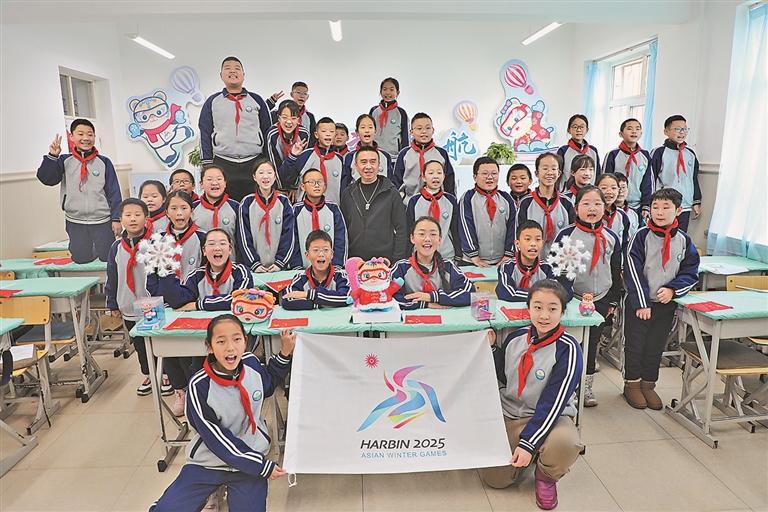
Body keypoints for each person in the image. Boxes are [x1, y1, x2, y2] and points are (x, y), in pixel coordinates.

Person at [149, 315, 292, 512]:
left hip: (248, 459)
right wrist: (261, 466)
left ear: (245, 342)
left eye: (236, 339)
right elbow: (216, 439)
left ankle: (220, 489)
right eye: (221, 341)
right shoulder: (199, 385)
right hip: (209, 461)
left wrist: (285, 352)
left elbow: (267, 382)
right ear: (209, 346)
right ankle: (209, 490)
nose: (230, 348)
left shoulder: (251, 364)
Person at [481, 280, 583, 511]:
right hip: (510, 413)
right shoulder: (515, 338)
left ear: (562, 312)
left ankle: (546, 476)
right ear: (528, 309)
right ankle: (531, 452)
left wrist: (528, 443)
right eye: (538, 307)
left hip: (549, 416)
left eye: (552, 308)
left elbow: (554, 402)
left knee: (565, 443)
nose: (544, 315)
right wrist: (492, 349)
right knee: (495, 480)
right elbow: (505, 376)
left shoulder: (569, 348)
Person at [148, 228, 254, 416]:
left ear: (230, 250)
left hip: (234, 340)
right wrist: (165, 269)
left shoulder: (241, 272)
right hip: (204, 339)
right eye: (211, 244)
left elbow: (239, 300)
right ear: (204, 251)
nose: (217, 248)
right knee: (192, 365)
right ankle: (200, 405)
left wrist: (199, 304)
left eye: (222, 244)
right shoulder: (196, 275)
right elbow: (178, 301)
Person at [623, 188, 699, 409]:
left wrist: (673, 290)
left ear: (678, 211)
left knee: (655, 346)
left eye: (666, 207)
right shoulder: (641, 236)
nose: (659, 212)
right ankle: (632, 384)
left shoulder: (684, 240)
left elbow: (691, 271)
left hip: (665, 306)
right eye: (655, 207)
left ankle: (648, 384)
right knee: (635, 346)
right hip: (639, 305)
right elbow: (632, 270)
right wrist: (642, 303)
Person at [554, 186, 622, 407]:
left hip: (600, 299)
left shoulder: (611, 237)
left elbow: (615, 271)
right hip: (573, 299)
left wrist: (612, 300)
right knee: (569, 343)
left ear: (605, 207)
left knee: (592, 345)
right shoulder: (567, 235)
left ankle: (586, 387)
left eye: (597, 204)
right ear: (576, 208)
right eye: (586, 204)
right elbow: (560, 273)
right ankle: (565, 387)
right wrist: (566, 300)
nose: (592, 208)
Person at [106, 198, 171, 396]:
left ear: (146, 218)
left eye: (137, 215)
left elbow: (165, 274)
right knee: (140, 344)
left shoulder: (156, 243)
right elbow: (112, 275)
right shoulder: (116, 247)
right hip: (128, 304)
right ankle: (149, 374)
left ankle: (166, 374)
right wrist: (113, 303)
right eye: (128, 215)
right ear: (121, 219)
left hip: (154, 304)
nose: (133, 219)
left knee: (160, 341)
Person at [37, 119, 122, 263]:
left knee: (107, 257)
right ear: (71, 137)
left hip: (102, 219)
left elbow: (114, 192)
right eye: (80, 134)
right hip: (75, 220)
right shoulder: (64, 161)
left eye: (90, 134)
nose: (86, 138)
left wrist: (116, 219)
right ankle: (91, 251)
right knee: (80, 259)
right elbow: (47, 179)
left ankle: (99, 251)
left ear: (94, 137)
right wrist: (52, 156)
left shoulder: (104, 162)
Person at [199, 56, 272, 202]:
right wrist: (206, 163)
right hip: (224, 161)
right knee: (225, 205)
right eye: (228, 68)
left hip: (254, 161)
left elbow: (268, 132)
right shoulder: (213, 101)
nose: (233, 71)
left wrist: (267, 161)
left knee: (255, 204)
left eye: (237, 68)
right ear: (221, 75)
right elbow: (204, 132)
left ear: (243, 75)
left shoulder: (256, 100)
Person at [340, 146, 408, 262]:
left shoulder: (391, 192)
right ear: (356, 166)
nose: (368, 166)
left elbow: (401, 228)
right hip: (354, 260)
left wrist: (397, 259)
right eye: (363, 162)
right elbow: (343, 230)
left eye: (372, 162)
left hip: (384, 260)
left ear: (378, 165)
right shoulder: (348, 193)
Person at [391, 216, 474, 310]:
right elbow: (389, 298)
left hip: (446, 317)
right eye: (421, 234)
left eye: (433, 234)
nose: (427, 239)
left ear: (439, 239)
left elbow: (470, 294)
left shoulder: (448, 266)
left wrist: (432, 297)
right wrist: (424, 304)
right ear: (412, 238)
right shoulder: (401, 267)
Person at [238, 159, 296, 272]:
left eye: (269, 173)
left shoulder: (284, 202)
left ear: (275, 177)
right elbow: (243, 236)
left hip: (280, 268)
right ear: (254, 177)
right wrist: (254, 263)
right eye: (261, 173)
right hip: (254, 269)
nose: (265, 176)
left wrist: (281, 262)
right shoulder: (247, 203)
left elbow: (289, 235)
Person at [496, 220, 573, 303]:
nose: (533, 244)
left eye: (538, 239)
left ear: (542, 243)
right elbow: (506, 293)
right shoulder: (507, 267)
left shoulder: (547, 268)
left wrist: (565, 270)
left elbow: (560, 294)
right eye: (527, 239)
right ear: (517, 243)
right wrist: (541, 296)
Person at [459, 157, 516, 267]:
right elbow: (465, 226)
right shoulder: (468, 198)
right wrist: (473, 255)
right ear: (475, 177)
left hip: (501, 261)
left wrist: (508, 254)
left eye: (494, 173)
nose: (490, 177)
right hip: (472, 261)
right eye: (485, 174)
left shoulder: (506, 199)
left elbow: (513, 227)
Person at [517, 153, 575, 258]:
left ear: (559, 173)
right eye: (545, 168)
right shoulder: (526, 203)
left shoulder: (566, 203)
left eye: (553, 169)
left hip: (560, 262)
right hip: (533, 262)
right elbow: (518, 235)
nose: (549, 172)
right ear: (537, 173)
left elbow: (573, 235)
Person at [649, 115, 701, 232]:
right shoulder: (659, 152)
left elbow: (693, 179)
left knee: (680, 236)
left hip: (684, 206)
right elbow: (650, 179)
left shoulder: (690, 154)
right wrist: (650, 204)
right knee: (661, 236)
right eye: (677, 129)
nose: (682, 132)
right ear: (666, 132)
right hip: (664, 205)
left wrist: (696, 202)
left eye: (685, 129)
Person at [279, 117, 346, 204]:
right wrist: (292, 156)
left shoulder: (339, 159)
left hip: (332, 208)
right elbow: (287, 176)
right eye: (324, 131)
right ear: (316, 134)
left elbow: (343, 187)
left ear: (335, 135)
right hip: (306, 208)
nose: (328, 134)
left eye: (331, 131)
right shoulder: (305, 155)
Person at [392, 112, 456, 202]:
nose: (424, 131)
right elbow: (397, 182)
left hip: (437, 204)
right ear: (411, 132)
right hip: (408, 205)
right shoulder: (404, 154)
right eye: (419, 128)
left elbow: (449, 181)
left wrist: (451, 202)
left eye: (428, 128)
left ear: (433, 130)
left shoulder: (441, 153)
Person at [290, 168, 346, 268]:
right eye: (311, 182)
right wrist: (296, 266)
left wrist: (337, 265)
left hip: (331, 268)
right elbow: (292, 240)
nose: (316, 185)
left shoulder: (333, 208)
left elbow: (341, 239)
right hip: (302, 268)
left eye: (320, 182)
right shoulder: (296, 210)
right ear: (303, 186)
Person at [406, 160, 461, 261]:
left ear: (444, 176)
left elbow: (456, 229)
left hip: (447, 255)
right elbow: (409, 229)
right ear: (423, 177)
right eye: (431, 173)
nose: (435, 176)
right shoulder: (414, 201)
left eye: (439, 173)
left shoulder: (450, 200)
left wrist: (458, 255)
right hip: (420, 256)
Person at [282, 230, 350, 310]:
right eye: (315, 250)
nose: (321, 254)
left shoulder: (341, 277)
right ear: (307, 255)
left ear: (332, 254)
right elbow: (287, 300)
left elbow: (346, 298)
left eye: (325, 250)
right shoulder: (300, 278)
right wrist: (320, 305)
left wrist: (308, 295)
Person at [602, 118, 652, 214]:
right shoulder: (613, 155)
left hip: (638, 206)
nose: (634, 131)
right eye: (629, 128)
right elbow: (604, 181)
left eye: (637, 129)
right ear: (621, 134)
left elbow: (648, 182)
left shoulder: (645, 156)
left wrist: (646, 205)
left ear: (641, 134)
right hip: (615, 205)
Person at [192, 166, 240, 260]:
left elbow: (240, 241)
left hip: (230, 263)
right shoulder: (192, 209)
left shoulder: (236, 207)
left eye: (219, 179)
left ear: (225, 183)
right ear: (201, 184)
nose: (214, 183)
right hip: (201, 264)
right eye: (209, 179)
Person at [264, 100, 310, 191]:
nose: (289, 122)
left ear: (298, 119)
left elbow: (303, 164)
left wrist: (295, 187)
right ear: (279, 118)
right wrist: (280, 188)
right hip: (276, 182)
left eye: (293, 118)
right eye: (285, 117)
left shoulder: (304, 134)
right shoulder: (272, 135)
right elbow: (273, 165)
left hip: (296, 183)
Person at [556, 114, 600, 190]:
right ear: (568, 130)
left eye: (582, 127)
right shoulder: (563, 150)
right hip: (567, 192)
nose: (578, 130)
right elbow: (557, 173)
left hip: (590, 192)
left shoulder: (593, 151)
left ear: (587, 130)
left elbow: (598, 174)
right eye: (575, 127)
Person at [344, 114, 392, 182]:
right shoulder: (350, 157)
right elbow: (347, 183)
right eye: (363, 127)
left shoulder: (385, 156)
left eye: (370, 127)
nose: (367, 130)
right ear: (357, 132)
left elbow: (390, 182)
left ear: (375, 132)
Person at [370, 77, 409, 157]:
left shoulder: (401, 113)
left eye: (391, 89)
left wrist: (403, 157)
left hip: (394, 158)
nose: (388, 93)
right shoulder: (374, 111)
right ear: (381, 92)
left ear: (397, 92)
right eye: (385, 89)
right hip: (375, 157)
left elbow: (405, 137)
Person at [596, 173, 631, 251]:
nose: (609, 191)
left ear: (618, 191)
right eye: (604, 188)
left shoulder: (622, 215)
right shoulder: (591, 214)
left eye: (613, 188)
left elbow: (625, 244)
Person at [614, 173, 645, 237]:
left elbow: (642, 235)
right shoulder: (606, 213)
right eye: (617, 188)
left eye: (623, 187)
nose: (620, 191)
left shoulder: (636, 213)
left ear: (628, 189)